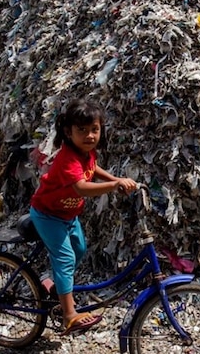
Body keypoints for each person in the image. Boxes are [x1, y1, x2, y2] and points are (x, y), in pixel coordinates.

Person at [29, 98, 137, 335]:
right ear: (68, 132)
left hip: (68, 214)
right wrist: (115, 185)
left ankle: (56, 288)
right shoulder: (68, 158)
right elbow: (81, 187)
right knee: (66, 258)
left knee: (79, 250)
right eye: (82, 130)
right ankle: (69, 315)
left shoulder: (86, 153)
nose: (90, 136)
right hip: (48, 214)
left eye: (94, 130)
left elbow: (92, 169)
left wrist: (114, 179)